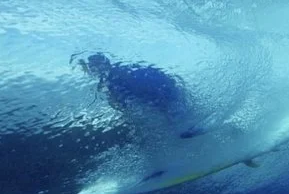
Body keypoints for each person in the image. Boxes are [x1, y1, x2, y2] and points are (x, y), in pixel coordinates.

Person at [76, 52, 204, 139]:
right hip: (165, 87)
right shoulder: (118, 71)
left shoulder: (112, 79)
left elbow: (121, 102)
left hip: (159, 92)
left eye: (94, 67)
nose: (94, 71)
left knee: (168, 114)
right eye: (92, 68)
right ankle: (188, 128)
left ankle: (187, 130)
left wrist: (127, 114)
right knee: (172, 112)